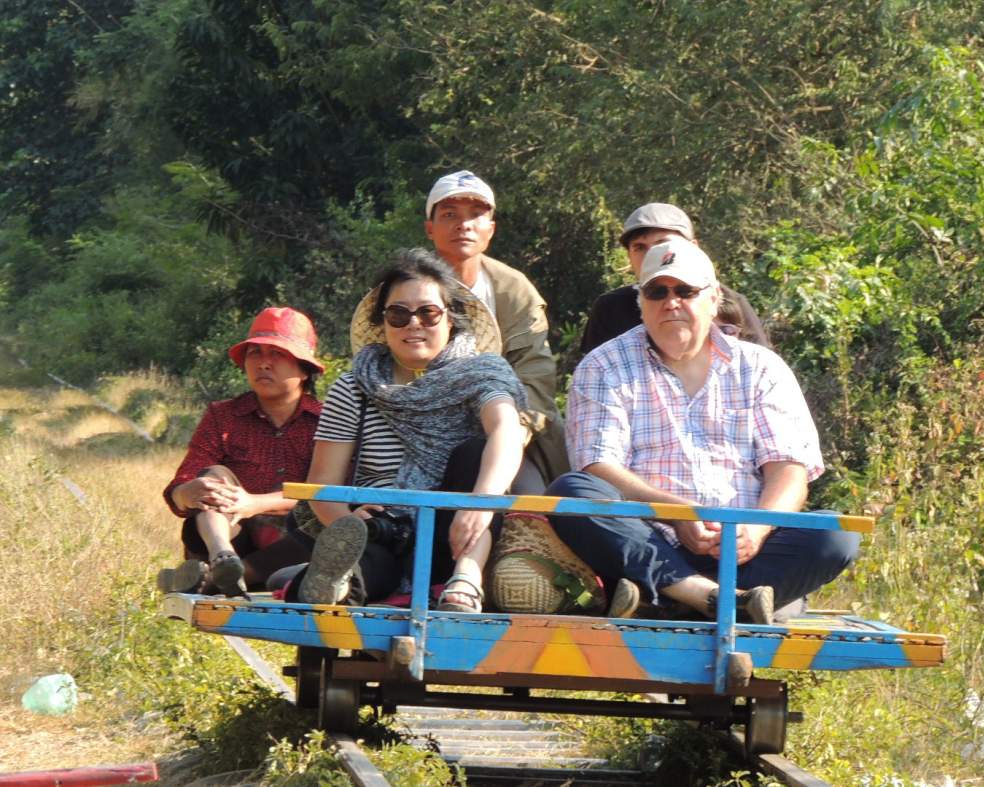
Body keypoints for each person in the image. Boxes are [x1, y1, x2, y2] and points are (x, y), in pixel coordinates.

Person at [546, 239, 859, 623]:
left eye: (686, 291)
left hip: (746, 547)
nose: (671, 302)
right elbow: (598, 466)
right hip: (650, 541)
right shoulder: (603, 366)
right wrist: (675, 512)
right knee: (571, 493)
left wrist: (756, 529)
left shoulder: (761, 367)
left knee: (835, 534)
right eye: (657, 291)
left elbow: (789, 471)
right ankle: (716, 599)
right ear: (640, 303)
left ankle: (673, 598)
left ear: (713, 300)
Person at [287, 249, 529, 612]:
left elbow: (507, 431)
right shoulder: (354, 386)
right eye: (399, 314)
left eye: (428, 313)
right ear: (383, 324)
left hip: (457, 530)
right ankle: (336, 583)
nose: (414, 323)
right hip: (382, 530)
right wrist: (349, 525)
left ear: (450, 319)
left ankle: (466, 580)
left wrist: (481, 504)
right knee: (361, 568)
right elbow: (323, 487)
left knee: (476, 452)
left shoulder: (481, 376)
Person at [350, 170, 566, 491]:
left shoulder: (515, 292)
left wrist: (507, 429)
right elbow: (382, 356)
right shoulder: (406, 286)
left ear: (490, 230)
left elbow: (535, 376)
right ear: (429, 228)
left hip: (503, 420)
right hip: (408, 418)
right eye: (449, 215)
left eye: (476, 216)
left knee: (529, 500)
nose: (463, 225)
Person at [159, 307, 324, 596]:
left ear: (304, 369)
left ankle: (219, 579)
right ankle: (224, 558)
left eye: (277, 354)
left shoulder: (327, 421)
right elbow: (180, 486)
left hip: (291, 545)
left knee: (323, 526)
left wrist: (255, 503)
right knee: (215, 476)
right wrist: (189, 492)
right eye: (255, 354)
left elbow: (329, 491)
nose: (263, 364)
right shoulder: (223, 415)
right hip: (231, 533)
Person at [577, 202, 770, 358]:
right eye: (639, 247)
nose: (652, 254)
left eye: (663, 243)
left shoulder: (731, 303)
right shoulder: (610, 308)